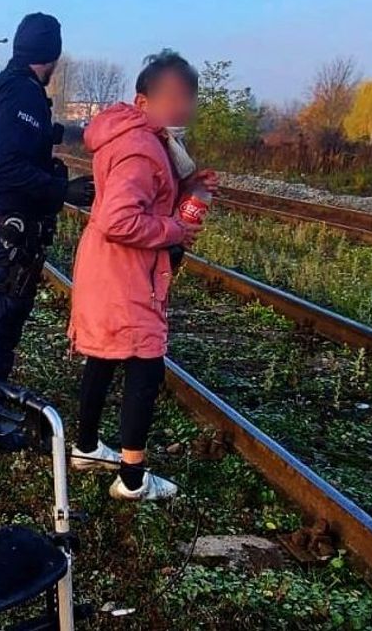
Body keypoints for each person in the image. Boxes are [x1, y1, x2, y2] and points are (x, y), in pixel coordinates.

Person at [67, 50, 218, 500]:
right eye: (172, 97)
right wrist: (175, 229)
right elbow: (118, 219)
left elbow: (137, 203)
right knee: (145, 365)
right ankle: (132, 480)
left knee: (106, 355)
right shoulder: (141, 148)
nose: (182, 107)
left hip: (111, 269)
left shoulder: (140, 138)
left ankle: (87, 447)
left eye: (188, 97)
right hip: (127, 274)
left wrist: (188, 188)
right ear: (142, 100)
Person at [0, 12, 95, 453]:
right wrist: (62, 190)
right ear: (51, 57)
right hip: (6, 234)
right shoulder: (25, 95)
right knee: (0, 324)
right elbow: (5, 165)